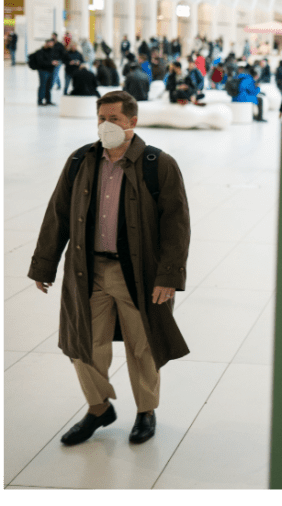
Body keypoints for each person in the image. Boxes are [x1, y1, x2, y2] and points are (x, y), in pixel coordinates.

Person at [28, 90, 191, 447]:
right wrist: (44, 264)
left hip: (139, 273)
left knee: (142, 345)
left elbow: (177, 225)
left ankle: (146, 412)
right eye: (101, 118)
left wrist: (168, 277)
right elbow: (57, 214)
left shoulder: (157, 164)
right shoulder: (80, 161)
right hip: (89, 271)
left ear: (132, 122)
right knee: (84, 343)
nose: (106, 125)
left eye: (114, 119)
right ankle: (98, 408)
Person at [31, 39, 61, 106]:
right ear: (47, 43)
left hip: (50, 70)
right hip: (43, 71)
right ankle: (40, 101)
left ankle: (48, 100)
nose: (52, 44)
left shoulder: (52, 51)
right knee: (43, 86)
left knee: (49, 86)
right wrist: (51, 62)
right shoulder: (40, 52)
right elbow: (41, 62)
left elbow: (55, 58)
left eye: (52, 43)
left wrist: (56, 62)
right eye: (50, 43)